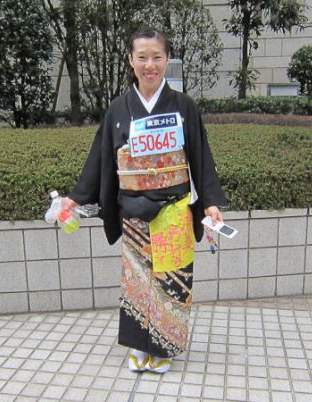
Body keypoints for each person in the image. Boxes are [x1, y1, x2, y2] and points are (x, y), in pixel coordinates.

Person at [62, 27, 227, 374]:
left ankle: (164, 347)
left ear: (167, 60)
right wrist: (76, 198)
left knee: (171, 279)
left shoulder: (184, 106)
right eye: (142, 57)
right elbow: (101, 157)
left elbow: (200, 155)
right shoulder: (118, 108)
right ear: (131, 60)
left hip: (174, 210)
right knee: (137, 280)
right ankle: (139, 345)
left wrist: (210, 201)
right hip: (134, 210)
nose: (149, 64)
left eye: (157, 57)